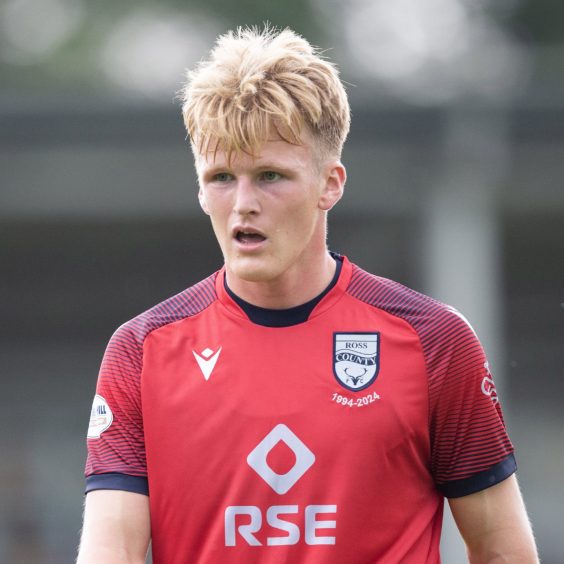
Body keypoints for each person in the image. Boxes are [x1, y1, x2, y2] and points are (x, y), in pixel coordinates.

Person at [77, 26, 538, 564]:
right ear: (201, 190)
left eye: (270, 175)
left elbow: (503, 552)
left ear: (331, 184)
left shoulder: (433, 341)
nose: (243, 203)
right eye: (222, 177)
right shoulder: (142, 351)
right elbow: (112, 553)